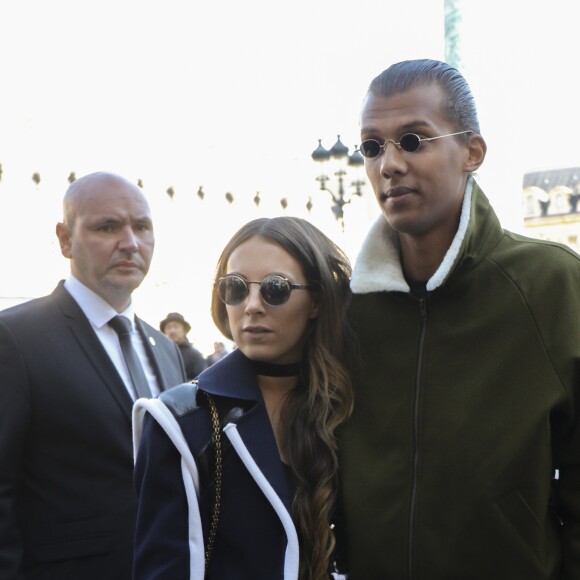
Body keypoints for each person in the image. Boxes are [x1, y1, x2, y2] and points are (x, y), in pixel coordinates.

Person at [339, 58, 580, 579]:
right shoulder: (346, 309)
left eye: (413, 139)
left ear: (472, 151)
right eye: (372, 146)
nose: (389, 164)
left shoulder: (551, 285)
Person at [133, 217, 354, 579]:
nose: (251, 305)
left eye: (275, 288)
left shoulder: (350, 407)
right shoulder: (182, 422)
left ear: (316, 301)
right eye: (235, 288)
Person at [0, 172, 186, 579]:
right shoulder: (14, 337)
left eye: (142, 227)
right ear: (65, 239)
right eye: (107, 227)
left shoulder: (166, 349)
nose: (130, 243)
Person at [160, 311, 208, 380]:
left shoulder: (195, 355)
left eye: (176, 327)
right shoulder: (159, 354)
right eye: (168, 327)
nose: (172, 331)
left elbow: (200, 383)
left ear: (184, 331)